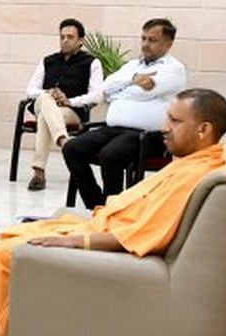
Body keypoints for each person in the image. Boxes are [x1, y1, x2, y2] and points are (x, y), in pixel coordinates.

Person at [0, 88, 226, 336]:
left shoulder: (195, 173)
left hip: (110, 242)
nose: (164, 127)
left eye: (176, 121)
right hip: (103, 223)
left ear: (203, 130)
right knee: (14, 234)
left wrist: (78, 242)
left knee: (8, 252)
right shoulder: (194, 162)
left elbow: (141, 236)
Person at [62, 18, 186, 208]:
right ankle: (97, 205)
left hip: (148, 136)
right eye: (143, 38)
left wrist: (120, 93)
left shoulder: (174, 69)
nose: (145, 44)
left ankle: (115, 209)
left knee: (110, 154)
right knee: (72, 148)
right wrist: (133, 78)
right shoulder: (133, 66)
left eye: (152, 40)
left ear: (168, 44)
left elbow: (141, 93)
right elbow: (106, 87)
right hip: (114, 129)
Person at [24, 18, 103, 191]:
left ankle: (38, 172)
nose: (65, 40)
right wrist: (48, 93)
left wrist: (70, 101)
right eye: (62, 37)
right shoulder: (48, 60)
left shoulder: (92, 63)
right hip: (43, 104)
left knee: (46, 117)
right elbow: (30, 89)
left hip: (70, 111)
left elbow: (97, 95)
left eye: (70, 37)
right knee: (45, 100)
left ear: (81, 40)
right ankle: (62, 139)